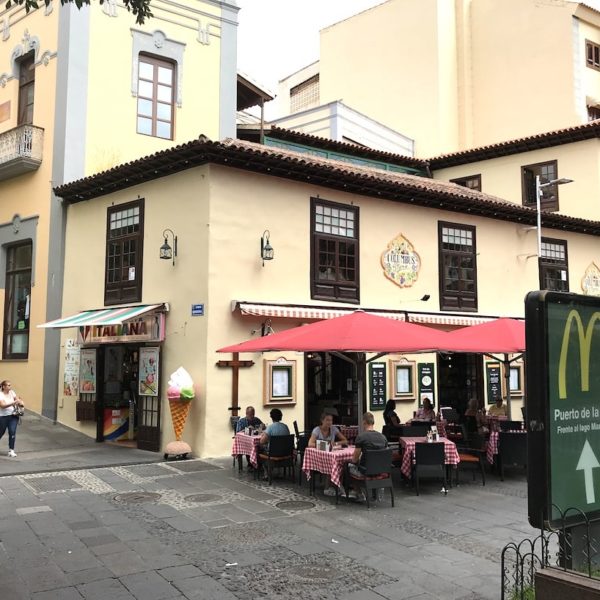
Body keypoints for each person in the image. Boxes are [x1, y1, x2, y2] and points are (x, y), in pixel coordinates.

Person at [347, 412, 389, 500]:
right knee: (372, 465)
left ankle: (358, 493)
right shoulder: (383, 437)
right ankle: (378, 489)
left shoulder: (361, 437)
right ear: (373, 422)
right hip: (381, 470)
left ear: (364, 422)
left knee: (348, 467)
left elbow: (355, 459)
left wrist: (353, 461)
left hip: (366, 471)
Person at [0, 380, 24, 457]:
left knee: (12, 432)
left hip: (13, 416)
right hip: (3, 416)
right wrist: (13, 403)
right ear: (3, 387)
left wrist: (20, 402)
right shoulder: (0, 394)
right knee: (1, 432)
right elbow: (3, 405)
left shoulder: (12, 392)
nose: (10, 387)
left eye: (10, 385)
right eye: (8, 385)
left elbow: (17, 399)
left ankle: (11, 450)